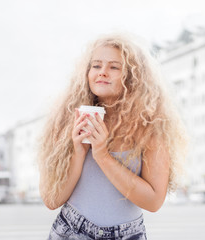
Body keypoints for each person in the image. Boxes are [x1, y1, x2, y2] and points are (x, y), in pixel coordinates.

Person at [38, 33, 187, 240]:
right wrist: (79, 152)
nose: (103, 73)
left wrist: (102, 155)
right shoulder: (67, 120)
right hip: (71, 231)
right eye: (96, 66)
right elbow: (51, 200)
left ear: (132, 76)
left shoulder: (151, 128)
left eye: (114, 67)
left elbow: (153, 202)